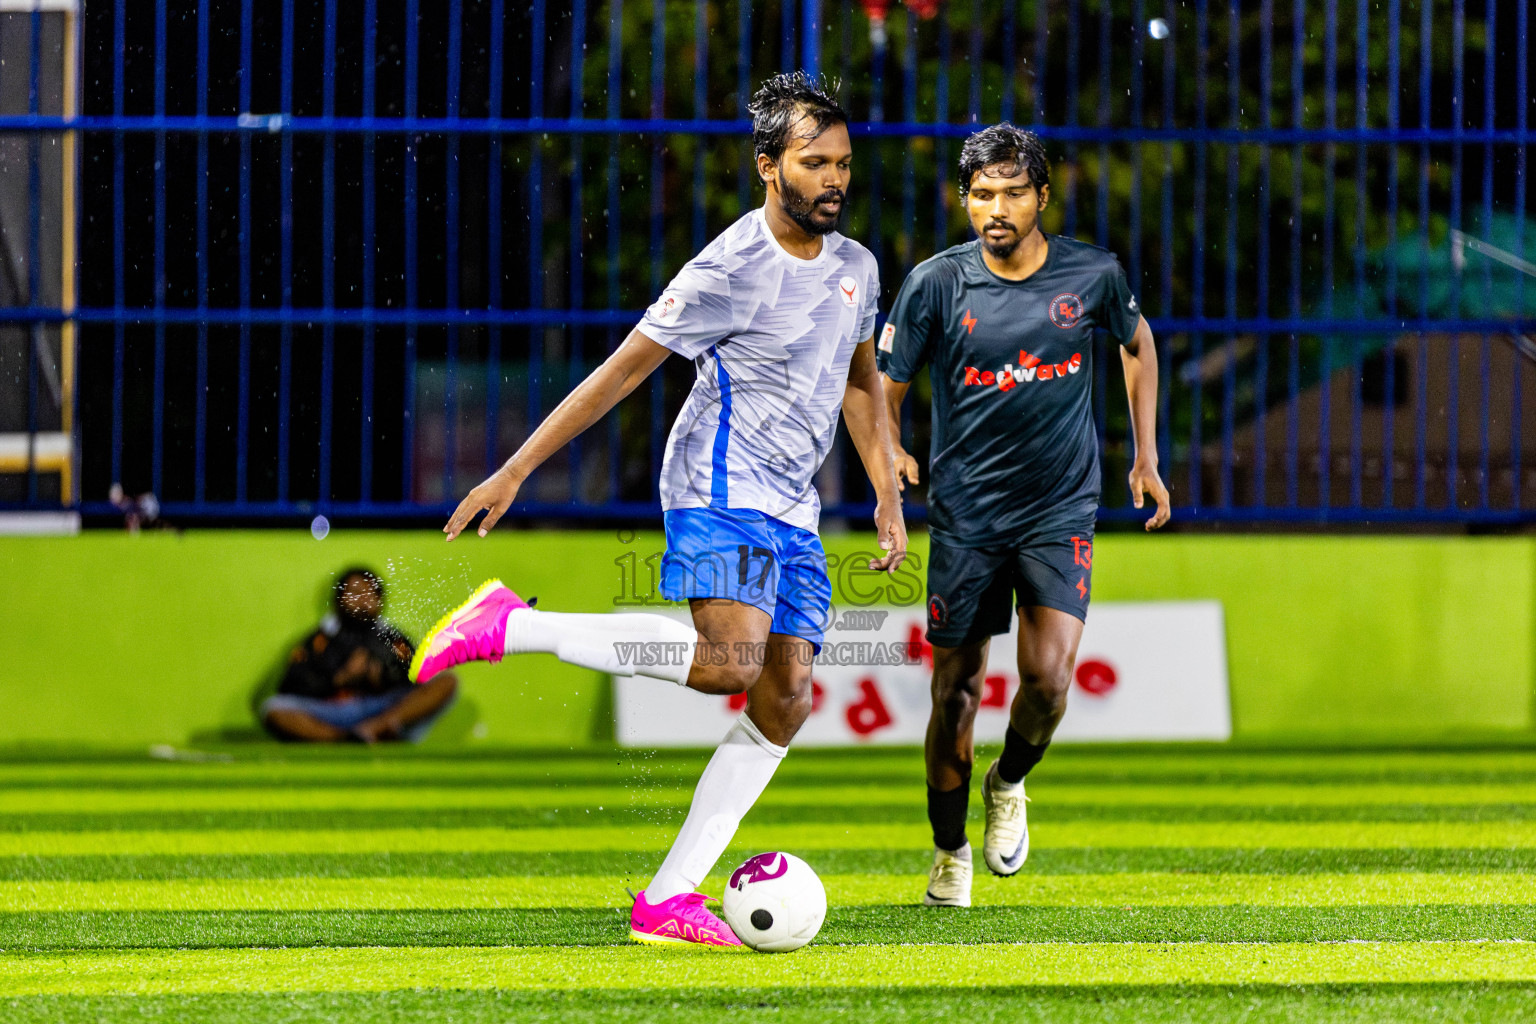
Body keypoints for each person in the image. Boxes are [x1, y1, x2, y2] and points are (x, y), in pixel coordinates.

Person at [408, 72, 907, 946]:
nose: (834, 179)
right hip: (717, 485)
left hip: (794, 503)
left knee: (787, 697)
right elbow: (621, 372)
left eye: (843, 164)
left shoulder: (858, 268)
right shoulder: (728, 268)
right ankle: (508, 624)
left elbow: (861, 386)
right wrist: (516, 469)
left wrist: (887, 493)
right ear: (767, 166)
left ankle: (668, 898)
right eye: (814, 162)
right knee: (731, 663)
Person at [877, 123, 1171, 908]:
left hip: (1059, 507)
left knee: (1045, 681)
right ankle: (948, 850)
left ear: (1043, 195)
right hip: (968, 514)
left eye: (1012, 192)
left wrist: (1144, 456)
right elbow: (884, 386)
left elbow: (1137, 344)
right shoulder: (937, 284)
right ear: (964, 199)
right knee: (957, 693)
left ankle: (1009, 783)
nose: (995, 208)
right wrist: (892, 454)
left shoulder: (1093, 275)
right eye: (981, 194)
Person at [261, 568, 458, 744]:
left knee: (447, 681)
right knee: (274, 708)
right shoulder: (319, 639)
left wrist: (382, 678)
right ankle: (344, 739)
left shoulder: (394, 639)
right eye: (354, 593)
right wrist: (341, 678)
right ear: (339, 598)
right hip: (330, 713)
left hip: (381, 710)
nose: (363, 600)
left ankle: (376, 729)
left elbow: (420, 676)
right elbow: (290, 685)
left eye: (370, 593)